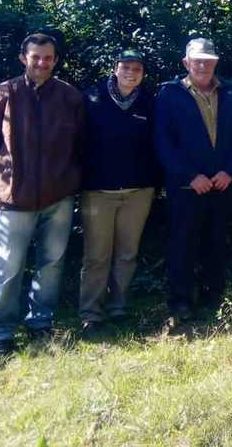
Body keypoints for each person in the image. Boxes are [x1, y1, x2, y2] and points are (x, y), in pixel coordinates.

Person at [0, 33, 85, 364]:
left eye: (48, 57)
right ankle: (2, 335)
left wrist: (68, 178)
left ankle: (41, 324)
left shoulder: (69, 96)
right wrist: (4, 179)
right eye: (36, 56)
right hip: (15, 198)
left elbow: (82, 144)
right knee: (8, 268)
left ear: (55, 60)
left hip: (59, 195)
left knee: (51, 264)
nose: (42, 63)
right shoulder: (2, 95)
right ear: (23, 58)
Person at [154, 38, 232, 323]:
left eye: (208, 61)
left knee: (216, 243)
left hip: (221, 184)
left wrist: (229, 171)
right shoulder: (170, 94)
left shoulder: (229, 94)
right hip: (187, 186)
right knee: (183, 245)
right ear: (186, 62)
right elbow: (163, 142)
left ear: (215, 63)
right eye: (197, 60)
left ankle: (213, 298)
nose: (202, 65)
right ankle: (181, 302)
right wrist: (189, 175)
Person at [78, 49, 159, 333]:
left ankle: (118, 306)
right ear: (115, 69)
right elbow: (78, 141)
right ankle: (91, 312)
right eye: (125, 67)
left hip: (138, 191)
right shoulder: (92, 98)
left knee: (127, 253)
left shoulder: (149, 103)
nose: (131, 73)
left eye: (137, 69)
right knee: (96, 256)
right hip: (98, 191)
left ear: (143, 74)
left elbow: (157, 144)